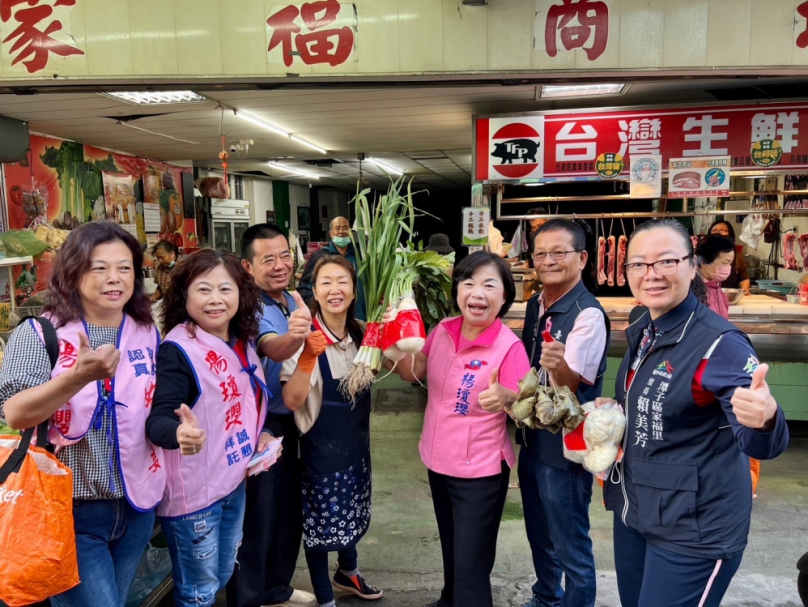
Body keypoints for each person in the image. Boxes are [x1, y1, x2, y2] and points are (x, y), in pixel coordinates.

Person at [602, 219, 789, 607]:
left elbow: (759, 441)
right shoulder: (643, 326)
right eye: (639, 264)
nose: (651, 274)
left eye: (666, 261)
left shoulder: (721, 345)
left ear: (691, 265)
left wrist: (766, 418)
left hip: (696, 528)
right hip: (637, 511)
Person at [0, 221, 164, 607]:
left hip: (135, 505)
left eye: (125, 268)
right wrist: (77, 379)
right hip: (68, 510)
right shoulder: (41, 333)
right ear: (72, 271)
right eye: (98, 267)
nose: (114, 278)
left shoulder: (146, 332)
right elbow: (16, 412)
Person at [389, 251, 531, 607]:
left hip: (479, 471)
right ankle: (448, 600)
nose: (476, 293)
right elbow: (412, 373)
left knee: (471, 564)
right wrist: (393, 339)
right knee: (454, 551)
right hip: (438, 462)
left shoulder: (509, 347)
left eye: (488, 285)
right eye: (468, 283)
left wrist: (509, 397)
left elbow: (526, 411)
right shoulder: (442, 331)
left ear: (504, 296)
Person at [146, 249, 269, 607]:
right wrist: (179, 434)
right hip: (195, 496)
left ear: (240, 293)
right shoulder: (179, 350)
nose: (215, 299)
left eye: (225, 289)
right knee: (198, 591)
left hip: (232, 482)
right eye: (203, 289)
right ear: (184, 295)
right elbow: (159, 420)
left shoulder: (241, 339)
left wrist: (258, 434)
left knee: (222, 574)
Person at [282, 255, 383, 607]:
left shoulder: (363, 334)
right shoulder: (304, 337)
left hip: (356, 448)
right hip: (319, 452)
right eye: (326, 282)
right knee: (321, 527)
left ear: (354, 290)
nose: (334, 289)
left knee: (351, 513)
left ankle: (348, 572)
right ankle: (325, 597)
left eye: (342, 281)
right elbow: (293, 399)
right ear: (315, 291)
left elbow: (403, 364)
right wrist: (308, 356)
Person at [518, 219, 609, 607]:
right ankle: (546, 598)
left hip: (565, 450)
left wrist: (557, 367)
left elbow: (573, 385)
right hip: (533, 441)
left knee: (570, 542)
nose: (549, 260)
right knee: (539, 533)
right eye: (541, 253)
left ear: (582, 258)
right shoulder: (536, 304)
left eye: (560, 252)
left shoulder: (587, 314)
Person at [227, 223, 317, 607]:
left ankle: (276, 587)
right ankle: (248, 596)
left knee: (287, 511)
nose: (280, 265)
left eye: (285, 255)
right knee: (258, 518)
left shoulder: (290, 299)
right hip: (262, 427)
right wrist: (298, 335)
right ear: (248, 266)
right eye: (269, 259)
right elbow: (274, 349)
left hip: (293, 420)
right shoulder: (248, 307)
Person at [297, 216, 366, 320]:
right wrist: (320, 308)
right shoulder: (320, 257)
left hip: (359, 318)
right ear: (331, 233)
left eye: (345, 228)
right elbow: (304, 288)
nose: (341, 231)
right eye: (337, 228)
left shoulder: (360, 256)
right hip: (330, 319)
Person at [696, 234, 736, 319]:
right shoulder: (690, 289)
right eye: (725, 263)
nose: (728, 268)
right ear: (704, 262)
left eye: (730, 263)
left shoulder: (717, 289)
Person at [708, 220, 751, 294]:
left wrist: (744, 291)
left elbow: (744, 279)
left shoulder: (737, 256)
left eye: (722, 230)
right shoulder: (702, 254)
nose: (718, 232)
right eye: (714, 230)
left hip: (730, 297)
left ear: (730, 235)